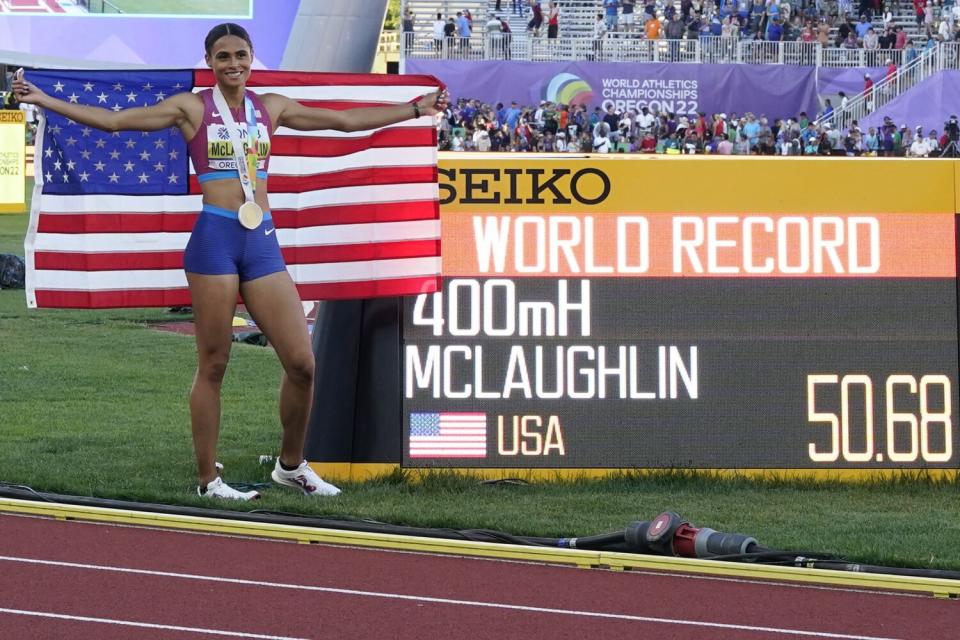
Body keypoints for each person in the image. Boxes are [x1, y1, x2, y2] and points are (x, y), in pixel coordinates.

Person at [11, 23, 449, 501]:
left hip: (261, 241)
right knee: (214, 363)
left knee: (302, 363)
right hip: (215, 242)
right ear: (211, 62)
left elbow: (341, 121)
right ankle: (208, 480)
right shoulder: (192, 107)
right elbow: (116, 121)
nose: (233, 64)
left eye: (240, 54)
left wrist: (413, 110)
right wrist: (42, 99)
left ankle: (291, 465)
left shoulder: (271, 107)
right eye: (223, 57)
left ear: (251, 57)